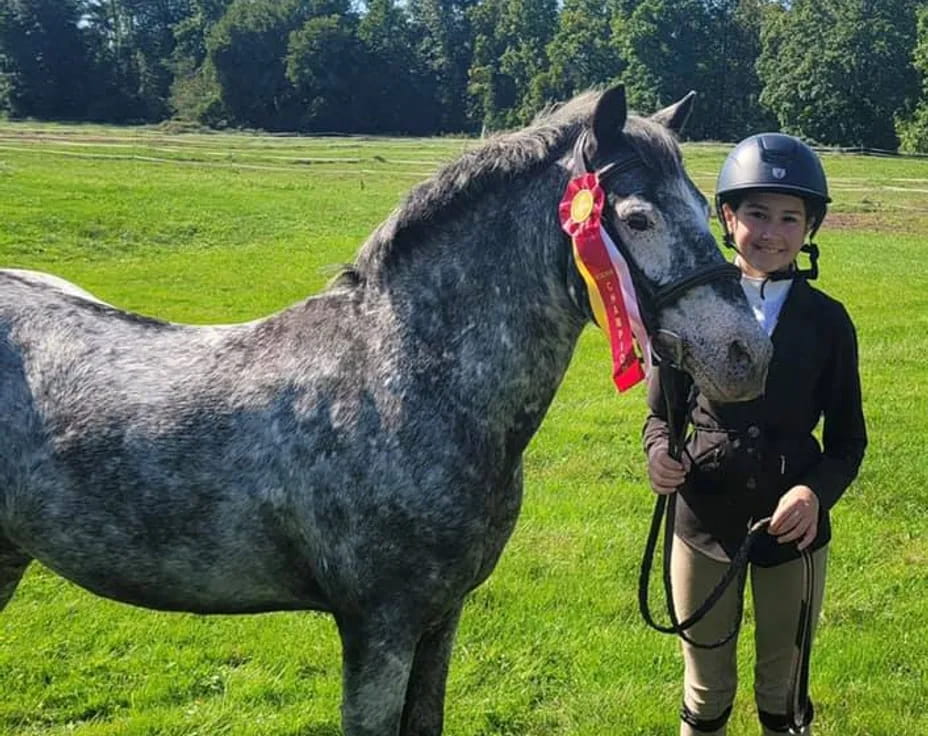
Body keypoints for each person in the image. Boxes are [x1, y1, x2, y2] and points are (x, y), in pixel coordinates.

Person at [642, 133, 867, 736]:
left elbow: (848, 441)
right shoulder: (693, 311)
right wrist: (659, 452)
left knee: (783, 688)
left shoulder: (829, 322)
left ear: (810, 226)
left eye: (789, 218)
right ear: (727, 217)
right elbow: (661, 414)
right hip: (703, 520)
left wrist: (813, 494)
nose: (771, 232)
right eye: (757, 214)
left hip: (790, 528)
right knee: (705, 686)